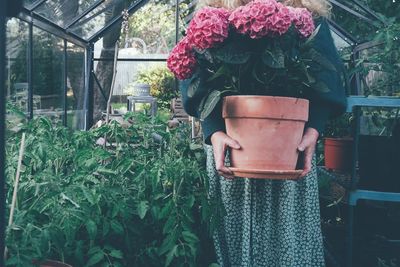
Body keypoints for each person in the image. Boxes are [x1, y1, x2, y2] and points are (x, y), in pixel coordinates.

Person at [180, 0, 347, 266]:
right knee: (232, 233)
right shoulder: (212, 14)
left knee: (288, 243)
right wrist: (214, 132)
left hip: (290, 150)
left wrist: (313, 129)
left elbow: (328, 79)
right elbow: (193, 77)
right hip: (233, 149)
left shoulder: (309, 17)